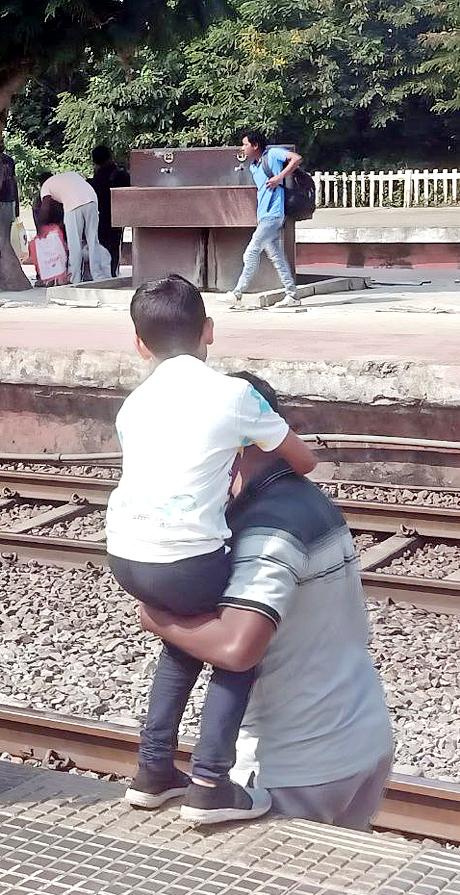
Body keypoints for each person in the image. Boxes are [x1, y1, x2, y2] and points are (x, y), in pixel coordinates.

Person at [138, 373, 394, 831]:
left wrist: (157, 618)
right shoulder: (308, 500)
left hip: (293, 766)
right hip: (361, 737)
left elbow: (238, 648)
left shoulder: (266, 531)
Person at [105, 274, 318, 825]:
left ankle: (153, 772)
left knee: (185, 640)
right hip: (185, 559)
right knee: (233, 648)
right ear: (210, 331)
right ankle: (209, 782)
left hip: (126, 555)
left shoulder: (132, 405)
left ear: (139, 343)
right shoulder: (234, 394)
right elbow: (303, 460)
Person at [225, 130, 302, 308]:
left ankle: (237, 293)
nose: (242, 148)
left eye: (245, 144)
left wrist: (279, 177)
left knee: (251, 252)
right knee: (277, 257)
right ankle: (292, 295)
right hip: (264, 216)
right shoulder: (253, 166)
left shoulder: (273, 154)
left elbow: (296, 158)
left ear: (255, 145)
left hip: (273, 215)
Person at [38, 170, 111, 284]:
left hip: (73, 204)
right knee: (93, 240)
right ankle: (98, 276)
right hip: (92, 200)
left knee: (74, 243)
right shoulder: (69, 175)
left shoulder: (46, 186)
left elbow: (46, 207)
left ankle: (74, 278)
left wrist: (41, 227)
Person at [89, 146, 130, 277]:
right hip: (116, 216)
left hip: (99, 216)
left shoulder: (97, 177)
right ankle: (112, 273)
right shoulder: (121, 174)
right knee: (114, 246)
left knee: (100, 244)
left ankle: (101, 273)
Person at [0, 139, 19, 253]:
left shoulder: (9, 161)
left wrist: (16, 204)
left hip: (8, 199)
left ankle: (5, 254)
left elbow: (13, 182)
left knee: (7, 231)